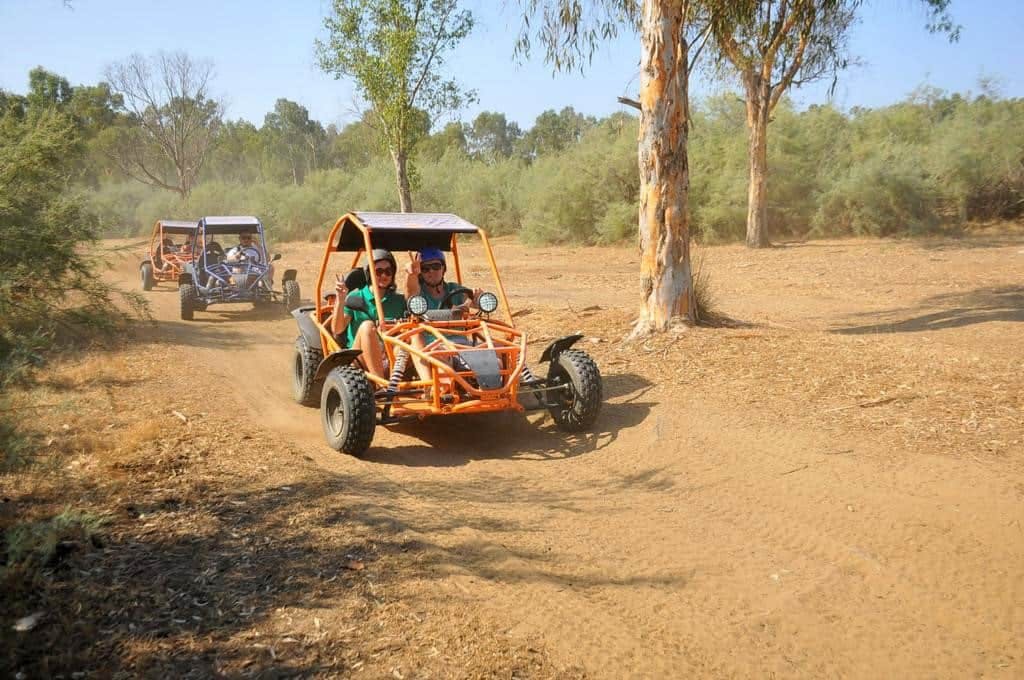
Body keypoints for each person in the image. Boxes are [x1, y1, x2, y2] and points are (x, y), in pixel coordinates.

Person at [330, 249, 407, 378]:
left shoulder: (399, 301)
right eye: (378, 272)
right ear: (369, 273)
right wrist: (341, 299)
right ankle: (380, 385)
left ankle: (432, 387)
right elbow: (337, 329)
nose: (384, 276)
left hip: (390, 358)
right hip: (359, 359)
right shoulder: (356, 297)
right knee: (367, 326)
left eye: (388, 271)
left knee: (410, 335)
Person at [404, 248, 481, 312]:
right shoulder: (419, 294)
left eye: (436, 266)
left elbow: (474, 303)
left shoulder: (454, 289)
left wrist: (477, 297)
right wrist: (412, 274)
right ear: (420, 272)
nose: (431, 271)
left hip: (457, 330)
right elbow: (411, 291)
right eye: (425, 268)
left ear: (443, 268)